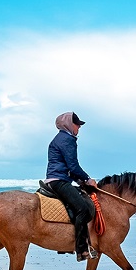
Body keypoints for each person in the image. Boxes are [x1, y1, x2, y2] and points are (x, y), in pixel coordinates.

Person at [42, 111, 99, 261]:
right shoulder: (67, 139)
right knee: (84, 209)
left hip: (58, 179)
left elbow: (69, 168)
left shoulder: (60, 138)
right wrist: (88, 179)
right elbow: (73, 166)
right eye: (77, 125)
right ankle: (81, 250)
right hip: (59, 181)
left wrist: (81, 182)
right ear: (69, 124)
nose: (78, 128)